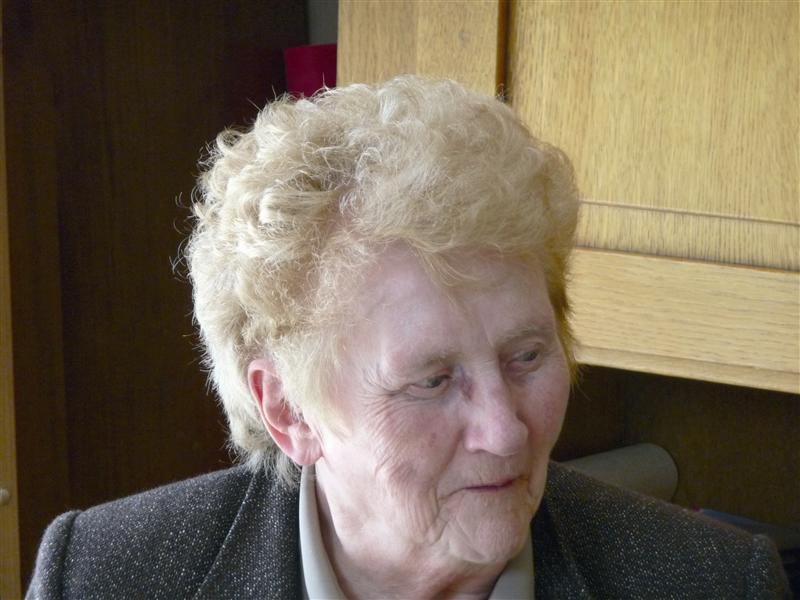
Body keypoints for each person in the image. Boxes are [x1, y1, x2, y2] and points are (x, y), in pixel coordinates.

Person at [27, 76, 789, 599]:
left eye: (526, 356)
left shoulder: (713, 583)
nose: (506, 430)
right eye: (432, 380)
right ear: (288, 410)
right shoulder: (104, 578)